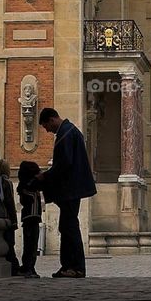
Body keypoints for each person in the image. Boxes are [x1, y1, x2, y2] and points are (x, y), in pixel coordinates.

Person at [32, 107, 96, 279]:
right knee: (67, 226)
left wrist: (45, 176)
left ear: (52, 120)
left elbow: (64, 163)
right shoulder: (71, 131)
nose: (48, 130)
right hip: (74, 188)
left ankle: (75, 267)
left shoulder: (65, 133)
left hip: (70, 189)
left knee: (69, 227)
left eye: (47, 126)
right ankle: (68, 265)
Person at [17, 160, 42, 279]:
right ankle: (27, 267)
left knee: (33, 245)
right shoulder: (27, 186)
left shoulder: (30, 185)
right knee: (29, 245)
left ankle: (31, 266)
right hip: (29, 218)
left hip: (34, 218)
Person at [0, 159, 20, 276]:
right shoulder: (7, 182)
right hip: (6, 215)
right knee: (10, 243)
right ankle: (14, 267)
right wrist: (14, 221)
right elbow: (10, 202)